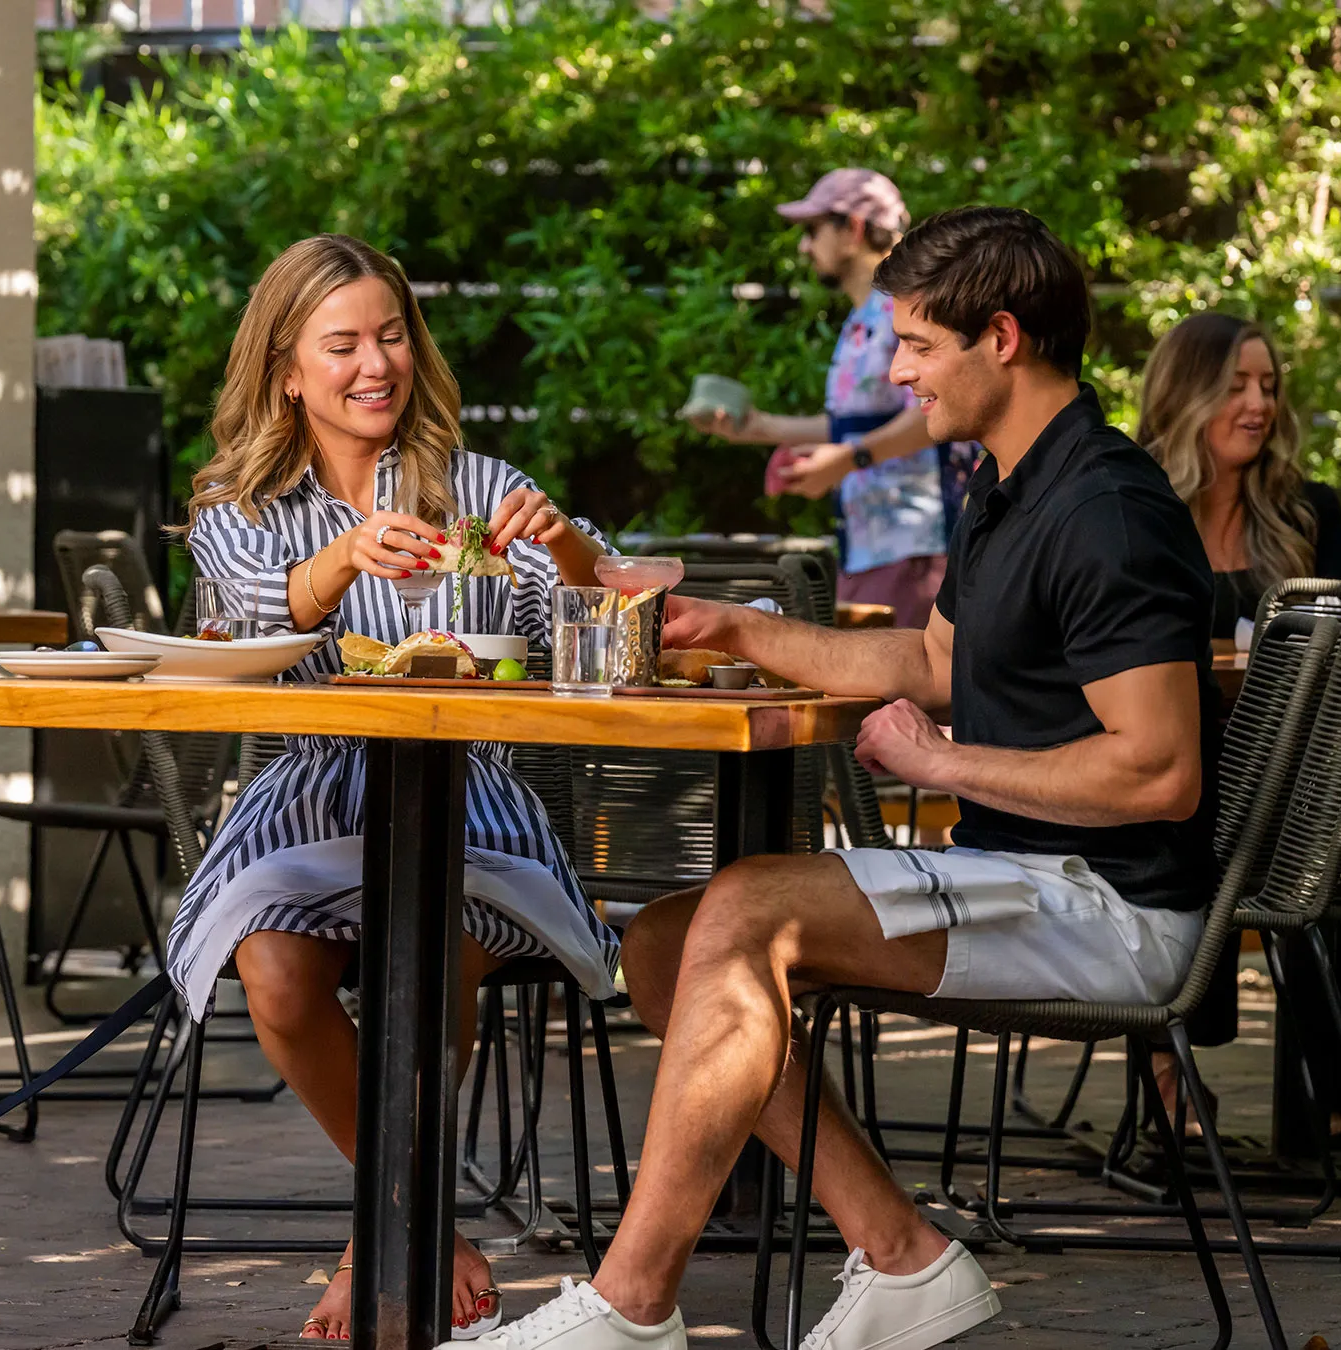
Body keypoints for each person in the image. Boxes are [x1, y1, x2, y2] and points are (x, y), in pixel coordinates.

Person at [476, 207, 1218, 1350]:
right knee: (669, 943)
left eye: (918, 344)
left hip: (1112, 904)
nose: (900, 371)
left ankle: (630, 1307)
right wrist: (735, 628)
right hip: (1023, 869)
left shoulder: (1106, 510)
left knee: (745, 910)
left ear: (1003, 339)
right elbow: (931, 662)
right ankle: (905, 1256)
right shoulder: (1010, 482)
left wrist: (941, 761)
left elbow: (1160, 773)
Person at [174, 234, 620, 1341]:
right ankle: (423, 1221)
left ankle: (384, 1232)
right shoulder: (243, 503)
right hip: (312, 791)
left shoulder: (481, 486)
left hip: (470, 794)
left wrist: (564, 551)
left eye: (391, 336)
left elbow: (608, 618)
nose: (376, 363)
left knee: (425, 944)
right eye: (344, 344)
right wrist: (340, 560)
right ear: (286, 368)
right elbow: (243, 613)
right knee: (274, 974)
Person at [1135, 313, 1341, 1144]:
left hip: (1290, 773)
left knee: (1317, 835)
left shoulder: (1307, 511)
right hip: (1165, 765)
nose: (1258, 403)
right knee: (1179, 822)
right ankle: (1170, 1078)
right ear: (1185, 392)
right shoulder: (1133, 506)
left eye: (1268, 386)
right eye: (1236, 385)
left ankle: (1328, 1097)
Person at [690, 168, 980, 625]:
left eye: (812, 229)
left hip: (916, 547)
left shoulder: (909, 313)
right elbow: (855, 424)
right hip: (868, 548)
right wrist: (757, 429)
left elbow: (937, 415)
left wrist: (848, 460)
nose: (804, 246)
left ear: (855, 229)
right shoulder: (863, 317)